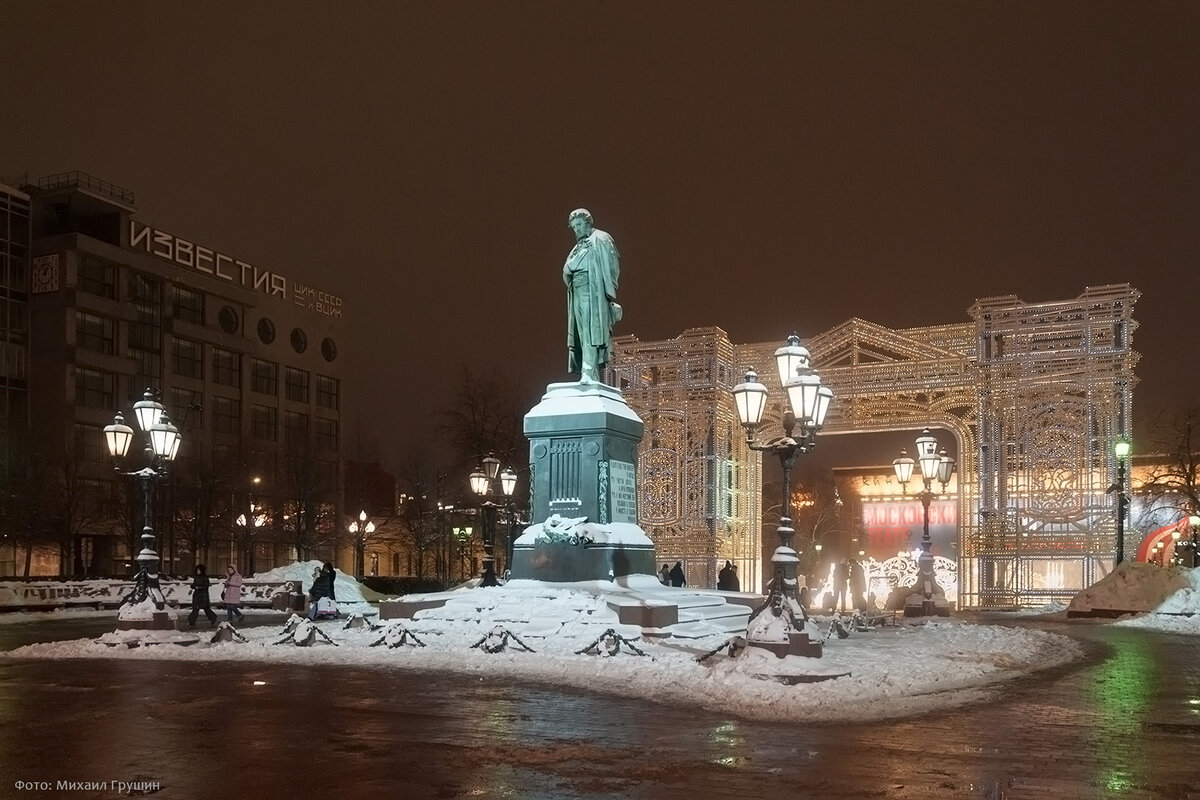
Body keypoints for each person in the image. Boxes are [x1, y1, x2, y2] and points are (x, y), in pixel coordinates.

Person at [562, 208, 621, 383]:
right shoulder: (576, 247)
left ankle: (588, 371)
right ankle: (588, 371)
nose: (577, 230)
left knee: (590, 331)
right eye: (574, 227)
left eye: (579, 225)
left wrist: (607, 296)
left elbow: (613, 265)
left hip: (592, 291)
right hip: (577, 291)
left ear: (588, 222)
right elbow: (567, 270)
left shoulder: (601, 238)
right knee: (581, 333)